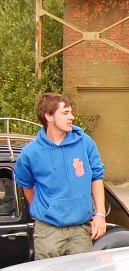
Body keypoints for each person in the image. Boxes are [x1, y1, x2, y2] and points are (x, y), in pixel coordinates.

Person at [14, 93, 107, 258]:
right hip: (48, 232)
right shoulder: (31, 152)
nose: (71, 117)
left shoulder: (85, 143)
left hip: (81, 230)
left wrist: (100, 214)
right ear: (48, 116)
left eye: (71, 112)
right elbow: (26, 186)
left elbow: (97, 178)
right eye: (65, 113)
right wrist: (45, 209)